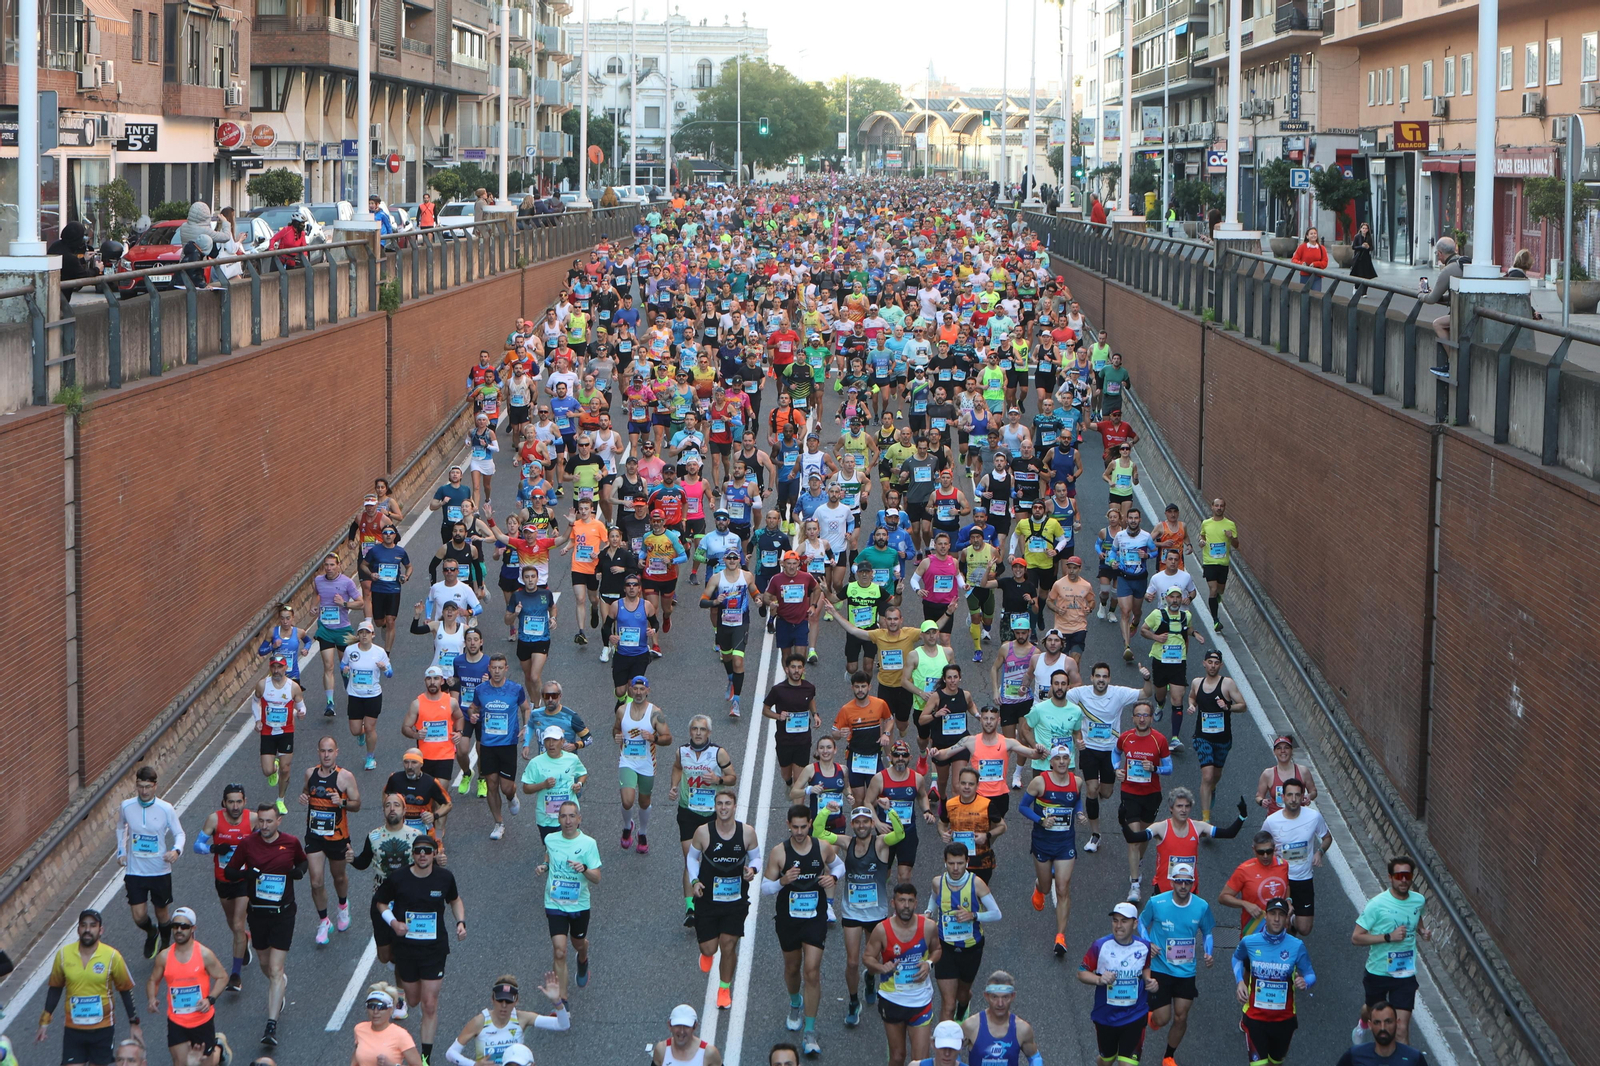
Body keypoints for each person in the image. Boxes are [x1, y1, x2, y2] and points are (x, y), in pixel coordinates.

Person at [222, 803, 308, 1047]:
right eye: (261, 821)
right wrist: (245, 875)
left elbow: (302, 862)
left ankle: (271, 1026)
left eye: (269, 821)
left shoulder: (290, 842)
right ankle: (278, 985)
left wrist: (299, 873)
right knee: (265, 964)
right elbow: (229, 872)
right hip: (258, 913)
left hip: (283, 913)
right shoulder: (248, 844)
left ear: (279, 821)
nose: (264, 825)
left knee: (276, 968)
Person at [812, 805, 906, 1028]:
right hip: (852, 912)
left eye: (865, 821)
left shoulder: (881, 843)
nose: (862, 826)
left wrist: (890, 811)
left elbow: (900, 834)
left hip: (876, 913)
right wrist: (826, 811)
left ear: (872, 824)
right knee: (853, 961)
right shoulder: (847, 842)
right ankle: (854, 1002)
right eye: (857, 822)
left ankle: (870, 977)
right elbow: (817, 832)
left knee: (875, 959)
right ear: (853, 825)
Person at [376, 835, 465, 1064]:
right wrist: (393, 923)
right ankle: (400, 989)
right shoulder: (399, 878)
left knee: (429, 1004)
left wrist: (460, 922)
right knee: (414, 1000)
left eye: (427, 850)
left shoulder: (444, 877)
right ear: (413, 854)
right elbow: (381, 902)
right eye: (418, 851)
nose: (422, 855)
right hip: (406, 949)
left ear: (435, 853)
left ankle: (424, 1058)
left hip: (434, 949)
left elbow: (455, 900)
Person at [762, 804, 842, 1056]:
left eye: (803, 827)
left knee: (812, 971)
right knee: (792, 967)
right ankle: (795, 1002)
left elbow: (839, 866)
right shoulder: (779, 852)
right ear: (788, 825)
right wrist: (783, 881)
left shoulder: (822, 847)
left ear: (810, 824)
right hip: (788, 919)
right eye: (794, 827)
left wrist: (833, 878)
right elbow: (765, 887)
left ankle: (810, 1031)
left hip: (814, 917)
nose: (798, 832)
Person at [687, 790, 762, 1009]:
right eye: (719, 803)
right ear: (715, 806)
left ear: (735, 806)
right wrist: (694, 881)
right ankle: (707, 954)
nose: (723, 807)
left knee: (728, 945)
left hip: (735, 899)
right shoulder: (703, 832)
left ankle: (724, 989)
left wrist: (752, 869)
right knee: (709, 948)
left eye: (727, 803)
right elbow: (692, 857)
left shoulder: (747, 832)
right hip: (708, 898)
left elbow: (756, 857)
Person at [39, 909, 142, 1066]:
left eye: (93, 925)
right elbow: (55, 988)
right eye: (83, 925)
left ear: (101, 930)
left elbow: (125, 990)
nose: (87, 930)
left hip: (103, 1029)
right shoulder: (63, 954)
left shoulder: (112, 956)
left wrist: (134, 1023)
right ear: (78, 929)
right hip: (74, 1030)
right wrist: (44, 1022)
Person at [1138, 864, 1216, 1066]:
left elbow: (1207, 932)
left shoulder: (1201, 906)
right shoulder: (1157, 902)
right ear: (1172, 882)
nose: (1183, 886)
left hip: (1186, 970)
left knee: (1181, 1017)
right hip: (1160, 967)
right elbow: (1141, 922)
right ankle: (1153, 1018)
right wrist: (1148, 943)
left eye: (1187, 882)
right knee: (1162, 1019)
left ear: (1193, 883)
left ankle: (1168, 1056)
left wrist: (1208, 952)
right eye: (1179, 881)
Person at [1352, 856, 1433, 1048]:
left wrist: (1422, 931)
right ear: (1390, 877)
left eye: (1407, 875)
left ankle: (1401, 1059)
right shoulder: (1377, 905)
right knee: (1373, 1014)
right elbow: (1356, 937)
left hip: (1404, 973)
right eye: (1399, 876)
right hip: (1378, 972)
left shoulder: (1418, 900)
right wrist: (1388, 937)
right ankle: (1363, 1022)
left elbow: (1416, 916)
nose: (1403, 880)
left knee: (1400, 1029)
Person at [862, 882, 941, 1066]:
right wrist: (881, 968)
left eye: (910, 901)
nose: (906, 905)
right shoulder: (882, 930)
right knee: (897, 1057)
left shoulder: (928, 927)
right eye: (901, 900)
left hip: (921, 1000)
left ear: (916, 903)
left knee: (920, 1060)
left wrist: (929, 964)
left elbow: (937, 950)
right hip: (892, 999)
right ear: (893, 903)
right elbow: (867, 957)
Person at [1232, 898, 1316, 1066]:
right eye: (1272, 914)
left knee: (1275, 1063)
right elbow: (1236, 958)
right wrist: (1240, 981)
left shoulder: (1296, 946)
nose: (1276, 919)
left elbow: (1310, 974)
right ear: (1266, 916)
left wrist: (1305, 982)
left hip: (1284, 1020)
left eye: (1281, 915)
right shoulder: (1250, 942)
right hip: (1255, 1017)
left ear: (1286, 919)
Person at [1018, 745, 1084, 957]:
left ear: (1069, 760)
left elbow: (1076, 800)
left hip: (1065, 843)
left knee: (1063, 888)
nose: (1062, 762)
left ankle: (1060, 936)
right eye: (1058, 758)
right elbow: (1022, 807)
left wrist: (1080, 813)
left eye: (1065, 758)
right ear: (1051, 762)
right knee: (1047, 887)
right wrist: (1041, 820)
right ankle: (1039, 888)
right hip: (1043, 842)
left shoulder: (1077, 782)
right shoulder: (1040, 782)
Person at [926, 841, 1002, 1023]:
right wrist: (928, 912)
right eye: (951, 863)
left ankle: (964, 1006)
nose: (955, 868)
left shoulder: (977, 884)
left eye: (960, 863)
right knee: (948, 1004)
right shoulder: (938, 882)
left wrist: (973, 915)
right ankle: (946, 1039)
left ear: (967, 862)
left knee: (962, 994)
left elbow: (996, 914)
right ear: (945, 862)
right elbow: (934, 897)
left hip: (971, 948)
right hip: (945, 947)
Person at [672, 715, 737, 922]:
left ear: (709, 732)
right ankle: (690, 908)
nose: (698, 733)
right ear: (690, 731)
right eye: (695, 729)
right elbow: (677, 768)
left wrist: (718, 779)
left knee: (713, 859)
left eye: (702, 729)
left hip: (712, 814)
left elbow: (732, 778)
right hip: (688, 812)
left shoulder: (718, 753)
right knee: (691, 859)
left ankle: (714, 899)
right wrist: (674, 786)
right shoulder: (682, 752)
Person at [117, 766, 186, 959]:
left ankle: (165, 945)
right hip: (135, 871)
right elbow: (121, 827)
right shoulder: (126, 806)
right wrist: (121, 851)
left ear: (155, 786)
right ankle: (151, 932)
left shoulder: (166, 808)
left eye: (148, 787)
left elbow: (179, 833)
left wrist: (176, 851)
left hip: (159, 870)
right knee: (138, 915)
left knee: (162, 913)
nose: (144, 791)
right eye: (140, 786)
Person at [145, 908, 229, 1066]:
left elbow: (222, 977)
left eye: (184, 926)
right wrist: (151, 998)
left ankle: (219, 1048)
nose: (179, 930)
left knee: (204, 1063)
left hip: (202, 1020)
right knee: (181, 1062)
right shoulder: (164, 956)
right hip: (177, 1020)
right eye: (175, 926)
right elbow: (153, 980)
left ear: (193, 929)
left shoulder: (204, 954)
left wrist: (210, 999)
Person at [536, 800, 602, 999]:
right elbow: (549, 856)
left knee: (578, 943)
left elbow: (597, 878)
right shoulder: (551, 839)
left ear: (579, 819)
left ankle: (583, 957)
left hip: (579, 905)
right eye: (563, 816)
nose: (568, 821)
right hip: (554, 903)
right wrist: (545, 866)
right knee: (559, 951)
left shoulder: (588, 844)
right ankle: (562, 1000)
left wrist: (584, 869)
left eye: (572, 816)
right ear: (558, 819)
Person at [298, 736, 361, 946]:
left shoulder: (345, 777)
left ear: (336, 752)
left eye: (330, 751)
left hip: (337, 836)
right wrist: (304, 797)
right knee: (316, 881)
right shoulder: (310, 773)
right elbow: (306, 792)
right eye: (323, 751)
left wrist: (342, 802)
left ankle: (343, 906)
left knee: (339, 877)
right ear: (318, 752)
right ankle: (324, 921)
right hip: (314, 835)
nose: (326, 755)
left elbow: (357, 804)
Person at [1077, 902, 1156, 1066]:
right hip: (1106, 1017)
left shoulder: (1144, 947)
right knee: (1107, 1060)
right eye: (1115, 920)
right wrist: (1099, 979)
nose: (1118, 926)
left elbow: (1145, 967)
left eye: (1124, 921)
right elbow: (1081, 972)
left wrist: (1149, 980)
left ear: (1135, 924)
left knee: (1126, 1064)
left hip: (1135, 1015)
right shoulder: (1100, 946)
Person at [191, 784, 254, 991]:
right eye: (231, 802)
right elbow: (197, 846)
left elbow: (267, 839)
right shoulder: (214, 820)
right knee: (232, 924)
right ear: (224, 803)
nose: (235, 806)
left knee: (237, 923)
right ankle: (244, 940)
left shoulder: (252, 819)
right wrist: (214, 848)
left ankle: (235, 976)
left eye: (239, 802)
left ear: (244, 802)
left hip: (243, 880)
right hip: (223, 880)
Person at [444, 973, 569, 1066]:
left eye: (508, 1001)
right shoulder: (480, 1022)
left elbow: (563, 1025)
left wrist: (557, 1002)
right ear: (492, 999)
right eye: (500, 1000)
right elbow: (451, 1053)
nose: (504, 1006)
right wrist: (474, 1065)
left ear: (516, 1001)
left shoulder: (522, 1018)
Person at [1261, 778, 1332, 937]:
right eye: (1290, 795)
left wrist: (1319, 852)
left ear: (1302, 797)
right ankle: (1286, 944)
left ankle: (1293, 920)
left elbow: (1327, 837)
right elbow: (1261, 844)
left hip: (1303, 879)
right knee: (1279, 924)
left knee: (1304, 929)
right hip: (1281, 879)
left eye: (1297, 795)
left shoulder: (1314, 817)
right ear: (1283, 797)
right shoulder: (1271, 821)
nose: (1293, 799)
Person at [475, 654, 532, 841]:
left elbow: (526, 708)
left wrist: (526, 726)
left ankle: (511, 796)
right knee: (491, 784)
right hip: (488, 744)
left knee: (506, 787)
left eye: (500, 668)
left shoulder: (516, 689)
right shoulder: (480, 689)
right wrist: (473, 715)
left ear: (506, 668)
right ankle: (498, 823)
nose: (497, 671)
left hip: (507, 744)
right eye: (494, 668)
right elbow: (473, 708)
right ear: (489, 669)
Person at [614, 675, 673, 854]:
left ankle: (642, 832)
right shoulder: (622, 710)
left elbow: (668, 738)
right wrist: (617, 736)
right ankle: (627, 826)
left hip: (647, 763)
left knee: (644, 802)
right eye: (635, 689)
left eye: (642, 689)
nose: (638, 692)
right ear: (630, 690)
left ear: (648, 690)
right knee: (627, 801)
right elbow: (616, 729)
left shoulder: (655, 713)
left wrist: (654, 738)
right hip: (627, 761)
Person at [1187, 650, 1244, 820]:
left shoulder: (1227, 684)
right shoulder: (1197, 682)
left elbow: (1242, 705)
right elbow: (1192, 697)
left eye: (1216, 663)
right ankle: (1206, 819)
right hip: (1202, 737)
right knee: (1207, 775)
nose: (1212, 666)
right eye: (1210, 662)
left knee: (1216, 775)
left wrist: (1228, 707)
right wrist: (1192, 705)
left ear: (1221, 665)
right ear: (1204, 663)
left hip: (1222, 739)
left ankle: (1212, 788)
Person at [520, 726, 589, 844]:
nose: (551, 744)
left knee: (569, 846)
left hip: (569, 816)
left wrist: (579, 784)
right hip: (546, 818)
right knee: (552, 850)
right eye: (547, 740)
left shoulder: (572, 759)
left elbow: (583, 774)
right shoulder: (536, 763)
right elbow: (526, 788)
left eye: (555, 740)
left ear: (562, 741)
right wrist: (543, 785)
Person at [1219, 831, 1293, 935]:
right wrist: (1245, 904)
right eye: (1261, 852)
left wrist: (1288, 901)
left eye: (1269, 851)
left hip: (1279, 927)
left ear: (1274, 848)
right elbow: (1223, 897)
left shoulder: (1283, 865)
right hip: (1254, 928)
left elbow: (1286, 886)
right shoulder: (1244, 870)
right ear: (1254, 850)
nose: (1265, 856)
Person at [959, 971, 1041, 1066]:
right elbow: (952, 1054)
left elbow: (1035, 1058)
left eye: (1005, 997)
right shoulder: (971, 1026)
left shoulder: (1022, 1029)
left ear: (1012, 996)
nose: (1000, 1003)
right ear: (986, 996)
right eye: (995, 997)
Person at [1337, 1000, 1429, 1066]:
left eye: (1388, 1022)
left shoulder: (1414, 1058)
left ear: (1397, 1023)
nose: (1382, 1028)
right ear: (1370, 1025)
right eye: (1377, 1022)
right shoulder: (1354, 1055)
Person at [352, 984, 423, 1066]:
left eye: (381, 1007)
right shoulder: (360, 1029)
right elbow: (357, 1056)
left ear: (391, 1010)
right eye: (371, 1006)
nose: (375, 1012)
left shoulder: (401, 1035)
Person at [1196, 498, 1238, 633]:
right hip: (1209, 562)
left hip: (1223, 563)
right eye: (1217, 505)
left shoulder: (1230, 524)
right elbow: (1202, 536)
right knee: (1213, 590)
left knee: (1220, 590)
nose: (1219, 508)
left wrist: (1231, 537)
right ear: (1212, 507)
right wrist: (1201, 542)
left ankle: (1217, 596)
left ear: (1224, 508)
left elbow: (1236, 545)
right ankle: (1215, 620)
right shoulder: (1206, 523)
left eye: (1221, 506)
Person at [1256, 735, 1318, 816]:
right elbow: (1259, 796)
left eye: (1286, 748)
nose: (1283, 751)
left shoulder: (1303, 771)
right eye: (1279, 748)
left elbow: (1313, 791)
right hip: (1276, 819)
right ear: (1274, 752)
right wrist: (1262, 801)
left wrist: (1309, 796)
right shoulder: (1268, 774)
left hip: (1298, 817)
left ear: (1291, 751)